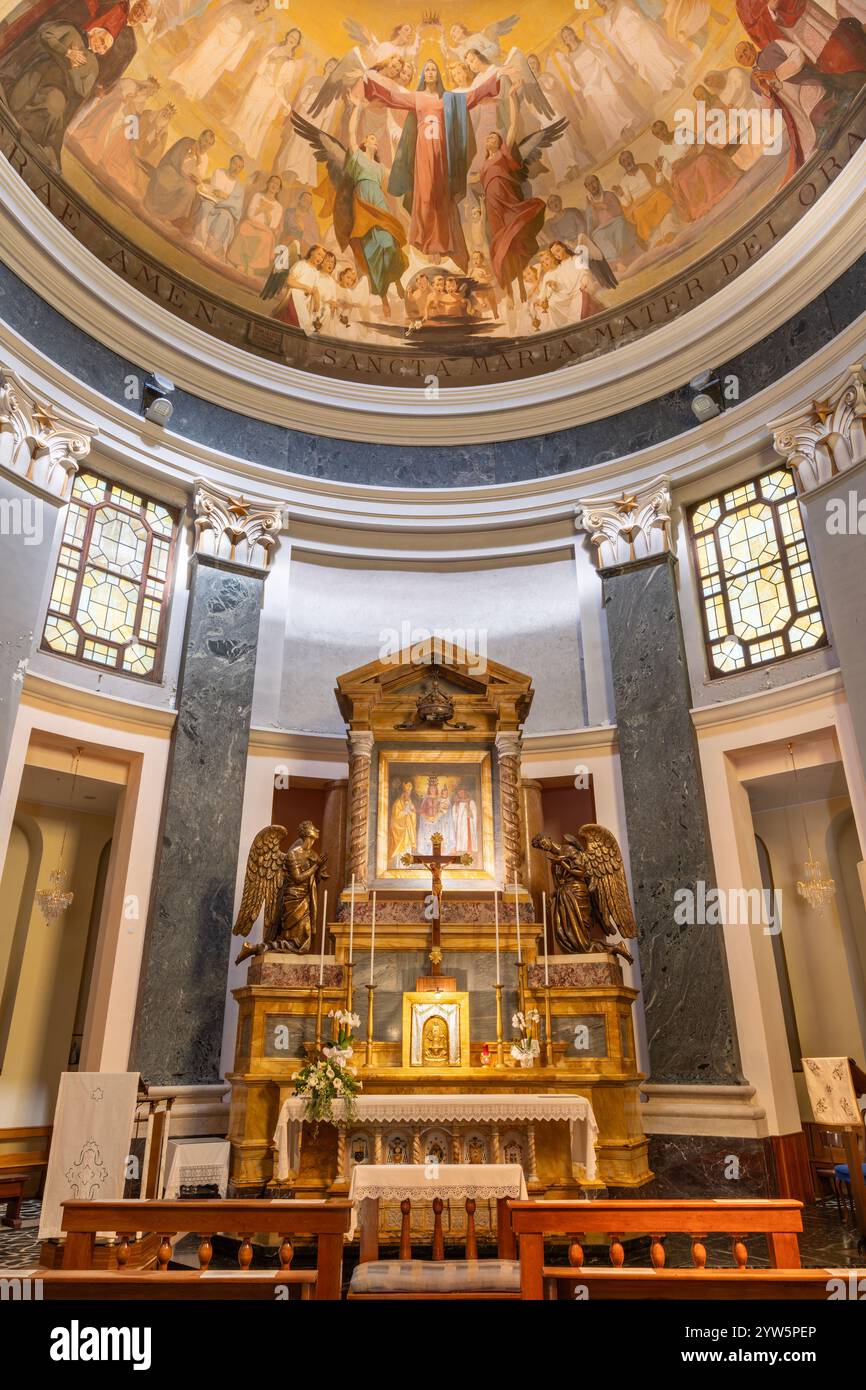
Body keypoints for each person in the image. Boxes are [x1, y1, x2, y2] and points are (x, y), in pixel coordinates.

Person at [362, 56, 504, 267]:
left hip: (442, 153)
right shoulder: (417, 97)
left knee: (439, 198)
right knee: (425, 196)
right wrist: (368, 82)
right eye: (427, 69)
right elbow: (392, 98)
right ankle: (425, 241)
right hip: (423, 152)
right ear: (423, 75)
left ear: (437, 75)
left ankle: (439, 245)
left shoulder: (449, 99)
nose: (430, 72)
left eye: (433, 69)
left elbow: (473, 97)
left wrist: (495, 79)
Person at [7, 20, 110, 166]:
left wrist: (73, 67)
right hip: (40, 72)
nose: (101, 46)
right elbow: (45, 35)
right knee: (16, 102)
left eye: (105, 47)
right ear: (93, 31)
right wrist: (67, 52)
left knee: (53, 110)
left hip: (58, 90)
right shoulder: (70, 30)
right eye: (101, 40)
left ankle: (25, 143)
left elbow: (81, 91)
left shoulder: (94, 66)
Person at [170, 0, 269, 102]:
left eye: (263, 7)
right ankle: (181, 81)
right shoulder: (237, 5)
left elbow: (244, 38)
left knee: (210, 66)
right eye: (261, 2)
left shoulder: (254, 21)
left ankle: (189, 89)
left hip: (227, 46)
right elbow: (220, 15)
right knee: (200, 57)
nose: (260, 6)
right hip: (217, 34)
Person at [230, 28, 303, 162]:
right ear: (287, 35)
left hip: (270, 90)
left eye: (296, 38)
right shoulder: (274, 48)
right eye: (291, 35)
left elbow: (285, 83)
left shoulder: (292, 63)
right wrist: (269, 62)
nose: (292, 38)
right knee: (247, 105)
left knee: (257, 113)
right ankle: (236, 133)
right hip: (260, 82)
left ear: (297, 43)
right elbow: (262, 64)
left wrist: (285, 100)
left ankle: (244, 141)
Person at [651, 117, 740, 221]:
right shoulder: (662, 152)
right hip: (684, 171)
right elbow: (667, 176)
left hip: (697, 158)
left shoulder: (681, 132)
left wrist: (693, 150)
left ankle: (713, 195)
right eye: (658, 133)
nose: (662, 133)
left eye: (662, 129)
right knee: (682, 181)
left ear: (666, 127)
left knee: (704, 162)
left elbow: (699, 143)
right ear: (657, 137)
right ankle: (702, 205)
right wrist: (659, 171)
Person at [145, 126, 214, 226]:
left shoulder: (205, 158)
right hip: (172, 170)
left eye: (209, 144)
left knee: (190, 190)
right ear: (200, 137)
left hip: (185, 180)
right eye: (206, 140)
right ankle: (156, 209)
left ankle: (170, 216)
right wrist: (189, 155)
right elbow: (174, 158)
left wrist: (198, 159)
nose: (206, 144)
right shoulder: (187, 142)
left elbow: (198, 176)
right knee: (171, 178)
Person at [613, 149, 680, 247]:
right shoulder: (624, 181)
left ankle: (669, 230)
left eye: (628, 158)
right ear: (622, 165)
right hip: (640, 204)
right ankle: (656, 238)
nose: (627, 162)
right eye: (624, 161)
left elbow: (658, 183)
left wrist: (658, 172)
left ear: (632, 158)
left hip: (654, 195)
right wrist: (621, 195)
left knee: (662, 198)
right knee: (639, 215)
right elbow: (627, 203)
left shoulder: (645, 167)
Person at [584, 173, 642, 272]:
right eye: (588, 185)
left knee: (620, 225)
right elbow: (590, 226)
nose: (592, 186)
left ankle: (623, 258)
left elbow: (619, 212)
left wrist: (604, 206)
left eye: (593, 182)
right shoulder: (589, 205)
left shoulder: (609, 195)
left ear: (598, 182)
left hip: (616, 222)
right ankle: (616, 262)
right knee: (598, 235)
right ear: (587, 188)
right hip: (601, 228)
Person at [229, 173, 284, 276]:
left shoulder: (278, 207)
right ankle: (240, 263)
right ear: (268, 184)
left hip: (265, 229)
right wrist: (260, 210)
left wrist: (267, 213)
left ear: (279, 189)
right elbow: (250, 213)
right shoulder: (257, 196)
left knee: (265, 238)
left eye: (277, 184)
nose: (274, 185)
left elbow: (273, 225)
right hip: (251, 223)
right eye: (272, 182)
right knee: (243, 230)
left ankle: (251, 266)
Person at [194, 154, 246, 258]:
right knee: (206, 207)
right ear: (230, 163)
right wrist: (226, 197)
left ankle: (211, 248)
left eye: (240, 167)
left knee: (224, 216)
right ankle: (200, 241)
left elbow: (237, 206)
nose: (236, 168)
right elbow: (215, 190)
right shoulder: (219, 172)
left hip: (225, 209)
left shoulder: (239, 187)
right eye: (235, 164)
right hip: (211, 201)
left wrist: (225, 197)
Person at [389, 779, 417, 865]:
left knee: (407, 849)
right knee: (400, 852)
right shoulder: (397, 803)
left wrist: (411, 813)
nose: (407, 795)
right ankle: (399, 867)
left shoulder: (410, 803)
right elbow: (395, 818)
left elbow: (413, 815)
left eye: (409, 793)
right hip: (400, 833)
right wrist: (404, 811)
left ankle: (407, 867)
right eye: (406, 793)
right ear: (402, 793)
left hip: (408, 831)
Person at [449, 787, 478, 856]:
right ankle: (460, 849)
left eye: (462, 792)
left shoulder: (471, 802)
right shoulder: (457, 803)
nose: (461, 794)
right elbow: (454, 814)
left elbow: (473, 815)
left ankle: (468, 850)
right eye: (459, 793)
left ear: (465, 793)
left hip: (467, 823)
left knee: (467, 836)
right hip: (459, 824)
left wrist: (468, 807)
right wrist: (456, 806)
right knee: (460, 836)